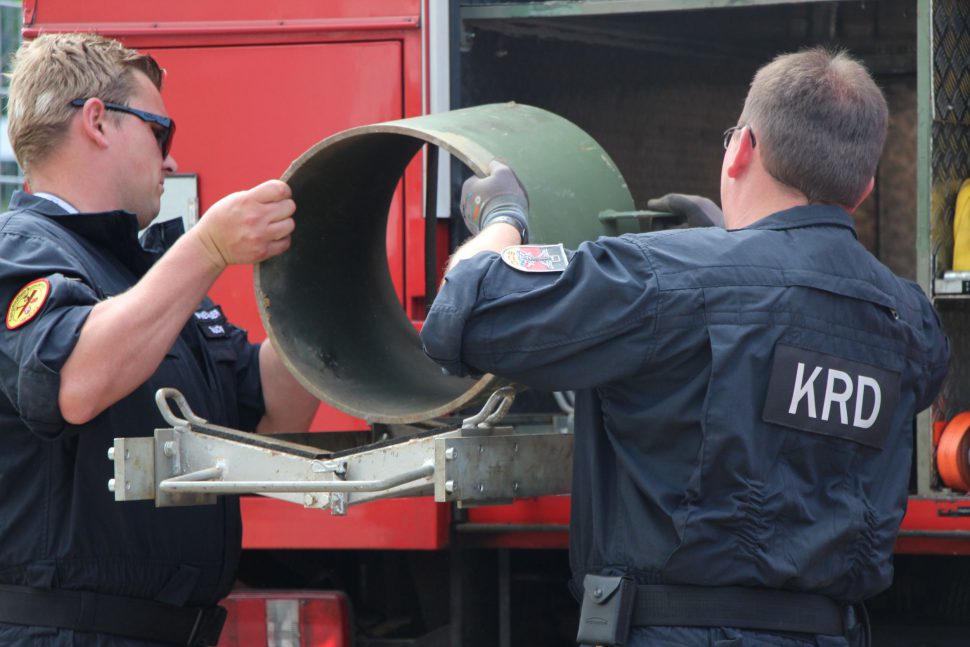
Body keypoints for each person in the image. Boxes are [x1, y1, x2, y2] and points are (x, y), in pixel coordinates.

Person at [421, 48, 950, 646]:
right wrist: (726, 254)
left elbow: (467, 316)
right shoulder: (911, 322)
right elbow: (789, 356)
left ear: (742, 148)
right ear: (865, 185)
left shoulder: (662, 278)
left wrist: (503, 217)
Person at [0, 33, 319, 646]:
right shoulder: (21, 251)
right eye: (160, 133)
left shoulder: (151, 283)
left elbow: (273, 424)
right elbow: (75, 381)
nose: (171, 161)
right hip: (63, 630)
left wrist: (324, 300)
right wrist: (207, 247)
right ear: (98, 120)